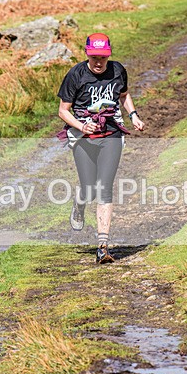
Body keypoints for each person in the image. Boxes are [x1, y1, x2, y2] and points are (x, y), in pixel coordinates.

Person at [57, 33, 145, 264]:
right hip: (82, 137)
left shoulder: (118, 71)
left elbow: (124, 95)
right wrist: (81, 126)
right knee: (88, 187)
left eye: (103, 58)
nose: (98, 63)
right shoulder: (76, 75)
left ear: (109, 55)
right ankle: (79, 202)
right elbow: (63, 111)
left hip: (112, 134)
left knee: (104, 186)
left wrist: (133, 115)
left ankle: (102, 246)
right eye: (94, 57)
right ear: (87, 54)